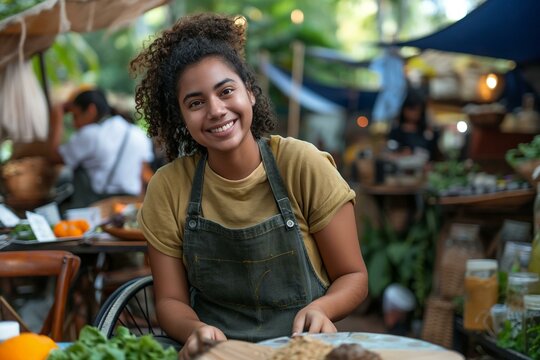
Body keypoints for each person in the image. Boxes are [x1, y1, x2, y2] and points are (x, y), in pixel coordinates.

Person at [132, 13, 368, 359]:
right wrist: (196, 331)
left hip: (302, 349)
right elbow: (169, 301)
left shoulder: (302, 165)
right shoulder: (168, 187)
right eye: (195, 103)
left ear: (251, 94)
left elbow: (353, 276)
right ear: (181, 117)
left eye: (226, 91)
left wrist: (325, 309)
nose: (215, 110)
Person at [47, 88, 155, 210]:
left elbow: (52, 157)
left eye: (75, 116)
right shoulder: (138, 134)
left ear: (91, 110)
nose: (74, 124)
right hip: (129, 206)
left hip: (97, 207)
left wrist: (57, 117)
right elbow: (144, 175)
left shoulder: (91, 134)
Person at [387, 86, 440, 161]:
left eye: (418, 110)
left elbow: (433, 153)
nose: (414, 114)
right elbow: (390, 152)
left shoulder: (426, 132)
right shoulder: (397, 130)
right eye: (411, 110)